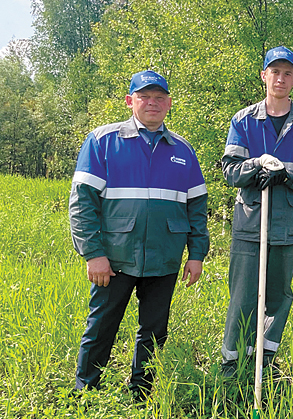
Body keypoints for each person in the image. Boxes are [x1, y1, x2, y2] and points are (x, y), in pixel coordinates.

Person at [69, 70, 209, 398]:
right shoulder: (103, 142)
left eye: (160, 98)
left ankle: (141, 397)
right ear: (130, 101)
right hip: (114, 258)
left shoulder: (183, 151)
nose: (152, 103)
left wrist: (197, 253)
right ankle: (84, 396)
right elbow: (82, 204)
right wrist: (93, 253)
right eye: (145, 97)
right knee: (101, 328)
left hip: (164, 256)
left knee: (154, 332)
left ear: (169, 104)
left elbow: (197, 208)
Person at [220, 46, 293, 378]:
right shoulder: (243, 120)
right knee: (242, 297)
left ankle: (263, 363)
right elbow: (230, 170)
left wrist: (288, 175)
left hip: (287, 225)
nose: (280, 79)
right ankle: (231, 366)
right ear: (264, 75)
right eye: (275, 72)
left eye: (287, 73)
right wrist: (257, 164)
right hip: (251, 223)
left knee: (278, 298)